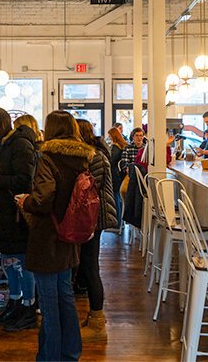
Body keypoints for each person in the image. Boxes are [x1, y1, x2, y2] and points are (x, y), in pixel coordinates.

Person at [16, 110, 93, 361]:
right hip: (70, 236)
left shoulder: (47, 158)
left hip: (47, 236)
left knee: (49, 304)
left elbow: (44, 199)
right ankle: (70, 353)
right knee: (65, 298)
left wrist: (26, 201)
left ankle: (50, 357)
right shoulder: (83, 158)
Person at [0, 108, 38, 332]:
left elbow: (25, 178)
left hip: (17, 217)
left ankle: (28, 309)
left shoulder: (19, 144)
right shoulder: (4, 145)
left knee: (21, 263)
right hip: (6, 215)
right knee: (9, 262)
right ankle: (14, 304)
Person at [75, 119, 117, 342]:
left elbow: (91, 190)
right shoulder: (97, 152)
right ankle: (93, 317)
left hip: (93, 218)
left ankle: (97, 321)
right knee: (89, 265)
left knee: (90, 267)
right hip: (93, 217)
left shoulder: (94, 156)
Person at [106, 127, 127, 227]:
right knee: (117, 197)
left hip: (114, 175)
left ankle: (117, 222)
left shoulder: (115, 148)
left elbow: (111, 161)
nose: (109, 137)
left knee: (115, 197)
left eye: (110, 135)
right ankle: (119, 222)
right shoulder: (121, 146)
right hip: (118, 175)